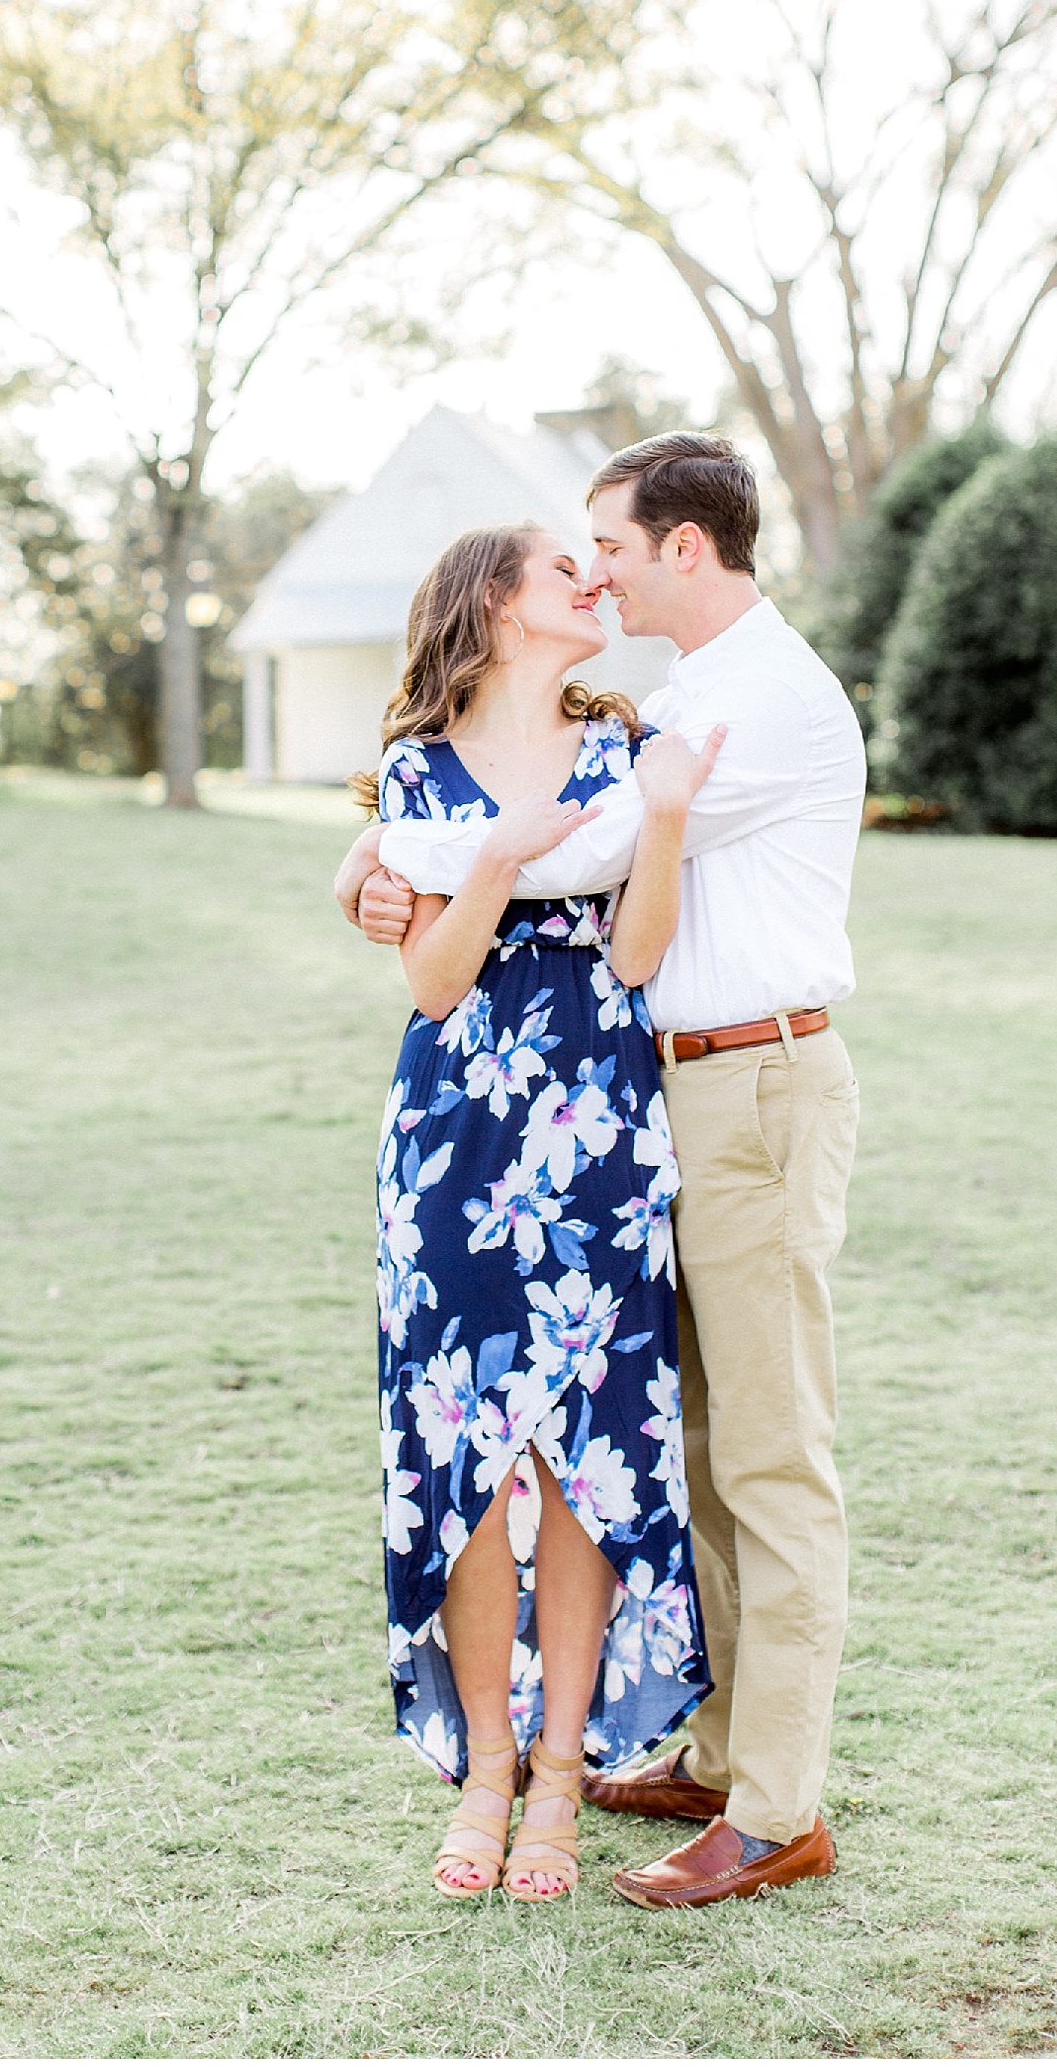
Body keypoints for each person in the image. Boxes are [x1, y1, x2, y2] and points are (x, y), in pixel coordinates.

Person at [337, 433, 866, 1910]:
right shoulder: (679, 697)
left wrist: (391, 855)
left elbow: (585, 865)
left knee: (751, 1453)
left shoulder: (739, 708)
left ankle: (771, 1807)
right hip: (630, 1102)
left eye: (612, 551)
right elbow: (469, 903)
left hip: (723, 1089)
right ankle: (703, 1755)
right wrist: (380, 854)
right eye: (572, 563)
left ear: (682, 547)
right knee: (681, 1441)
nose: (599, 577)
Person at [339, 520, 723, 1901]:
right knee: (463, 1448)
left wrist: (662, 819)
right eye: (565, 569)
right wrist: (499, 858)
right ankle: (487, 1771)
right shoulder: (416, 773)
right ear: (498, 607)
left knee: (583, 1457)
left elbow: (638, 951)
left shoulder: (625, 750)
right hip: (451, 1144)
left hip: (600, 1135)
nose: (593, 581)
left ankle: (562, 1769)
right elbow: (434, 982)